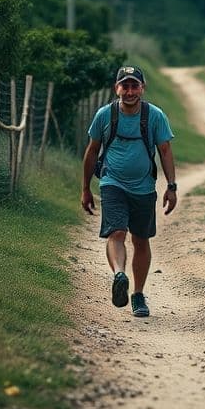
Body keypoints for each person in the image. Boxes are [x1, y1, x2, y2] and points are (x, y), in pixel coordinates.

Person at [81, 65, 178, 318]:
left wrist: (171, 186)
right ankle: (120, 276)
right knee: (116, 232)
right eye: (125, 86)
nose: (130, 91)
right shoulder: (105, 115)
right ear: (117, 89)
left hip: (144, 187)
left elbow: (165, 151)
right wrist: (85, 189)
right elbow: (92, 151)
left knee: (140, 240)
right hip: (112, 183)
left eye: (135, 86)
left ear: (142, 88)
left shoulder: (154, 116)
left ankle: (137, 294)